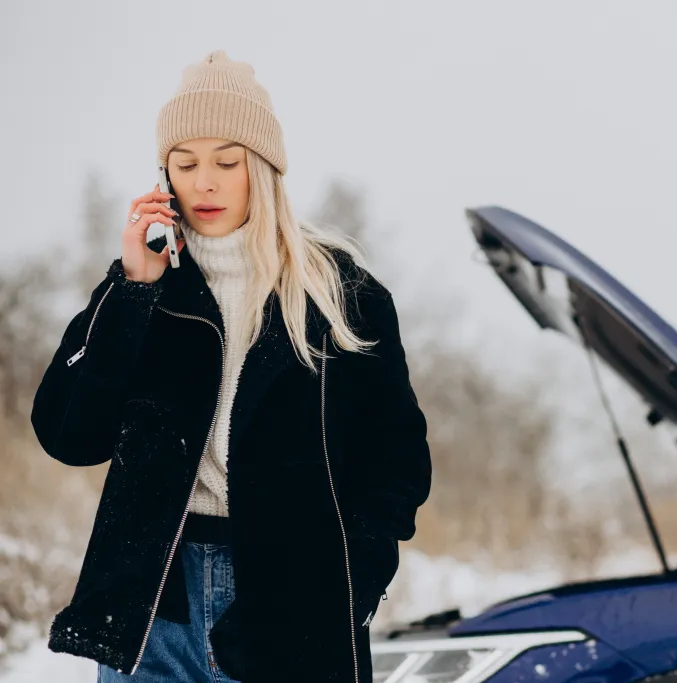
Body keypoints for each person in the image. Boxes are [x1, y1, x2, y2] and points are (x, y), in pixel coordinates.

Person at [30, 50, 431, 683]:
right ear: (164, 175)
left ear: (264, 170)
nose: (206, 182)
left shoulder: (340, 295)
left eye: (227, 161)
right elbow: (70, 436)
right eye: (186, 163)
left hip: (295, 599)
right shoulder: (146, 290)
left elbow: (397, 465)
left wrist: (349, 586)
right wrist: (132, 290)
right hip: (157, 604)